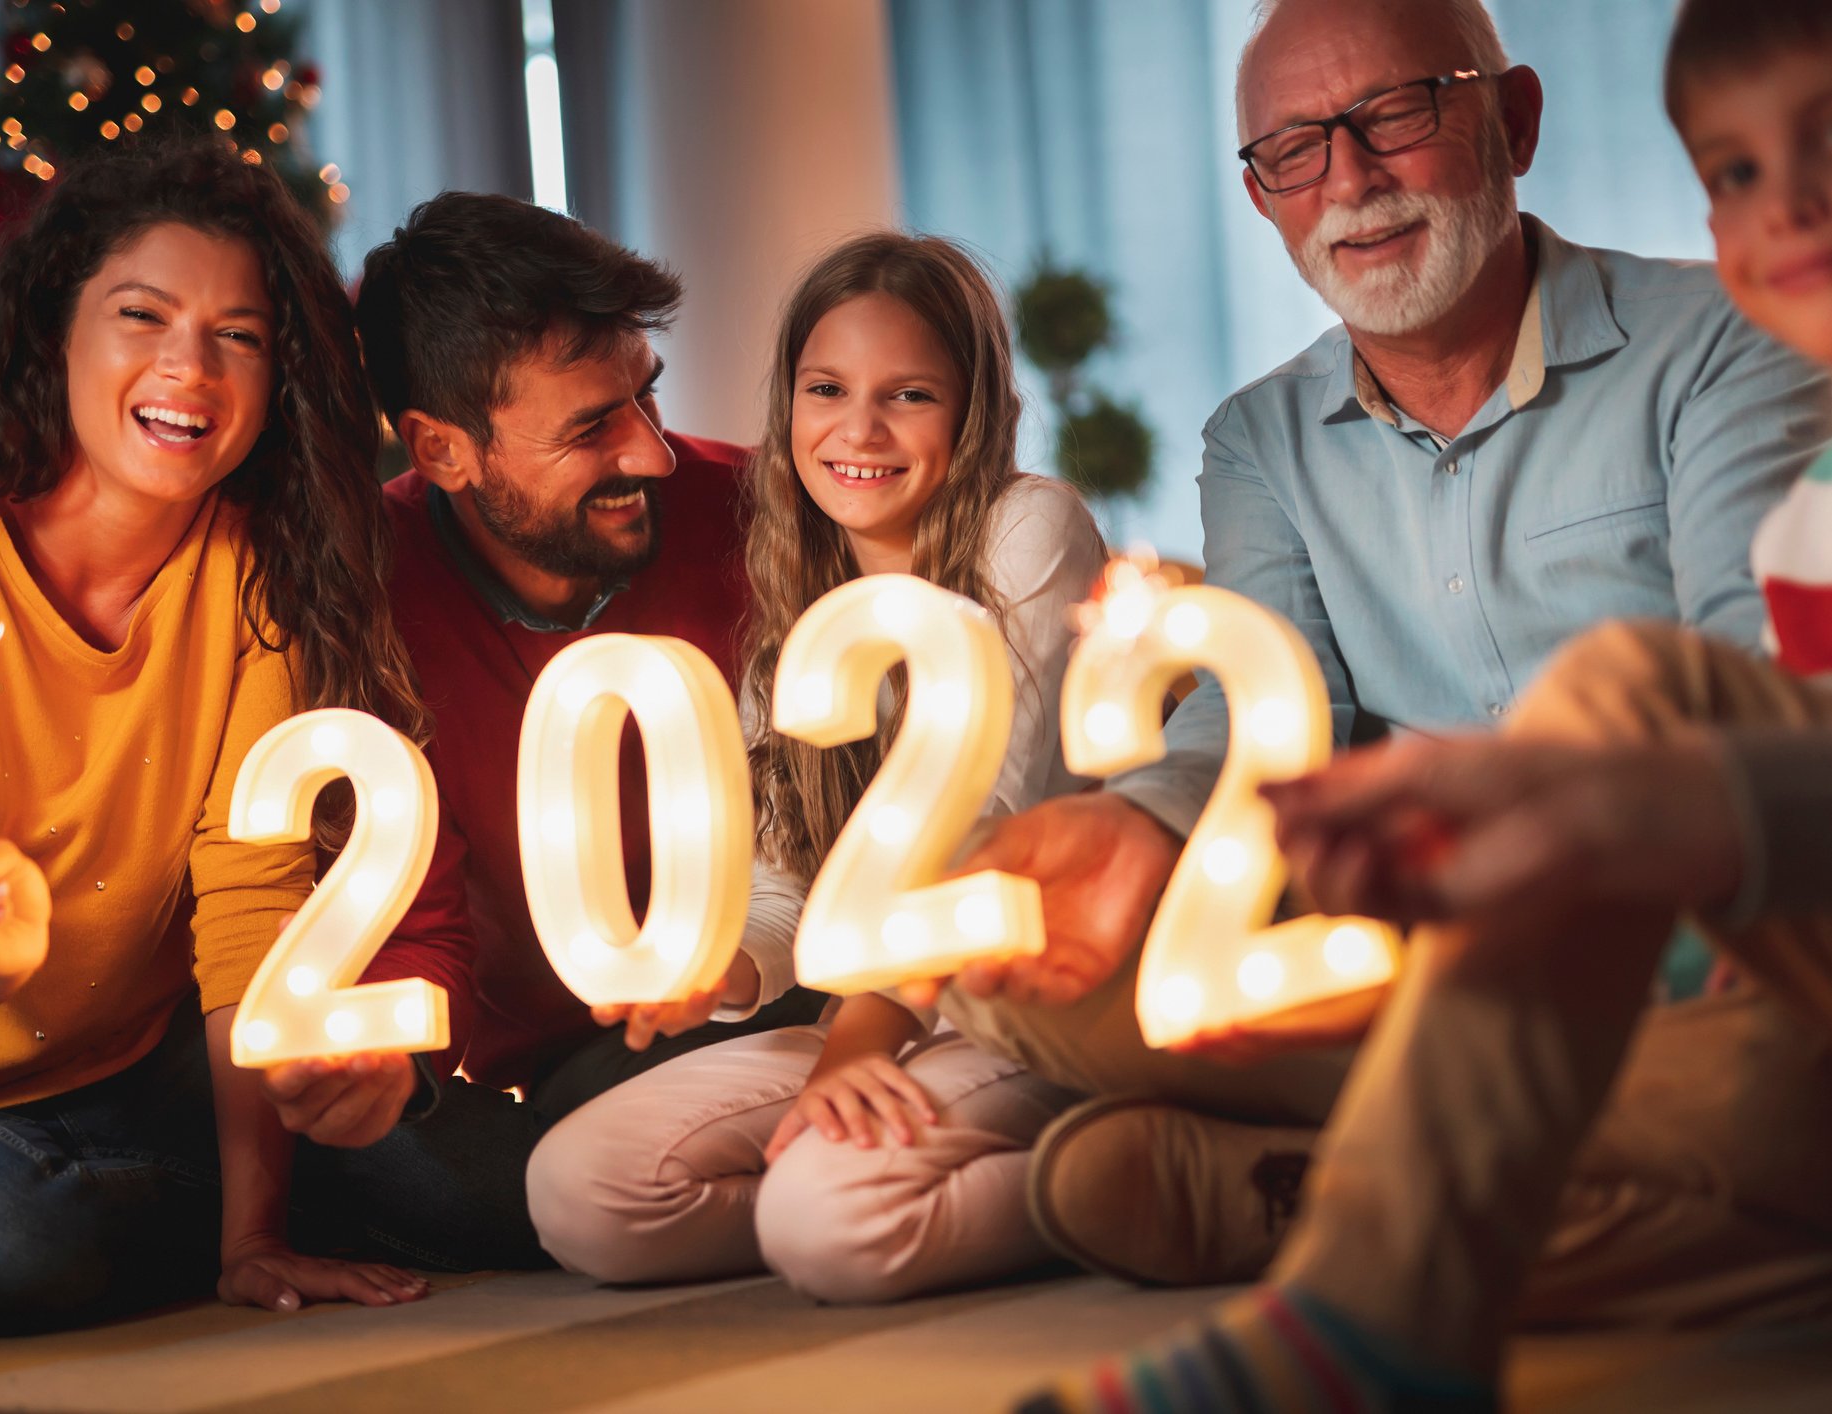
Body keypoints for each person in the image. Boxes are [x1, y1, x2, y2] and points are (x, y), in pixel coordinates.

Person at [918, 0, 1832, 1288]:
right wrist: (1138, 827)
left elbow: (1762, 684)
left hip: (1674, 944)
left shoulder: (1730, 336)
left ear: (1513, 121)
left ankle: (1328, 1202)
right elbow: (1255, 714)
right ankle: (1529, 1159)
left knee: (1784, 1085)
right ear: (1262, 198)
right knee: (1005, 966)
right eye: (1294, 149)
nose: (1349, 179)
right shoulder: (1256, 440)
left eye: (1396, 114)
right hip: (1410, 951)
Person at [0, 141, 541, 1338]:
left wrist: (255, 1236)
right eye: (142, 315)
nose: (191, 366)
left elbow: (247, 904)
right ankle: (263, 1199)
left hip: (154, 1072)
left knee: (496, 1191)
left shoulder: (257, 563)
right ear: (52, 329)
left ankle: (243, 1202)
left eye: (240, 335)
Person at [526, 234, 1108, 1302]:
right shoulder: (792, 613)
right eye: (827, 389)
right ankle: (854, 1199)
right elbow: (786, 886)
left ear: (972, 410)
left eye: (910, 395)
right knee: (580, 1192)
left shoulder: (1031, 529)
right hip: (869, 1019)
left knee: (831, 1220)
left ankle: (1113, 1164)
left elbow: (985, 831)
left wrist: (858, 1047)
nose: (860, 430)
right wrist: (718, 972)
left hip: (1037, 1010)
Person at [344, 194, 821, 1145]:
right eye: (591, 425)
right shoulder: (365, 595)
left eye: (647, 394)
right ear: (442, 449)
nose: (652, 451)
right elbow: (409, 920)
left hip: (819, 989)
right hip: (584, 1067)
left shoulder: (766, 512)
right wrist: (382, 1065)